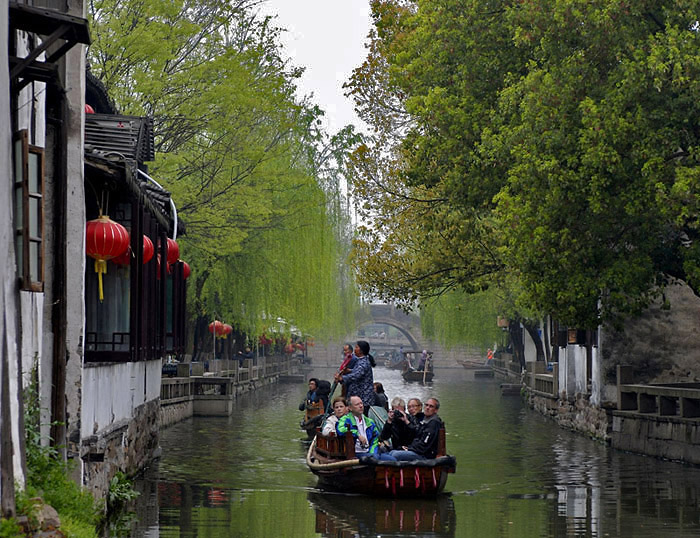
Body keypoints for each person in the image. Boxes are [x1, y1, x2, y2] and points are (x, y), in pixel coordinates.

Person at [334, 341, 374, 415]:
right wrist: (349, 371)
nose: (355, 349)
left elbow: (356, 375)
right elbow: (357, 372)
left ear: (361, 350)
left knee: (360, 418)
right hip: (358, 397)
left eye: (356, 347)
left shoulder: (363, 362)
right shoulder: (361, 361)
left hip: (362, 398)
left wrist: (341, 378)